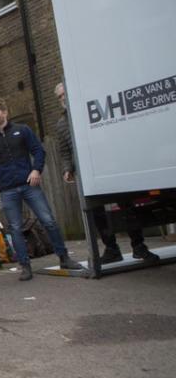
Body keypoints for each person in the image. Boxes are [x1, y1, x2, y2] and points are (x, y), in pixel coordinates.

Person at [54, 83, 159, 264]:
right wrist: (66, 169)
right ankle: (112, 249)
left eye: (65, 93)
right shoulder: (61, 124)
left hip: (110, 166)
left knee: (127, 206)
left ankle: (139, 247)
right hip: (86, 174)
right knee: (97, 213)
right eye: (59, 96)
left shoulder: (90, 110)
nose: (63, 97)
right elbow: (65, 151)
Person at [0, 98, 83, 281]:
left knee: (48, 220)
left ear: (4, 113)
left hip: (29, 185)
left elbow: (38, 151)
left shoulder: (23, 130)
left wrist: (36, 170)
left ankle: (64, 258)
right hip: (8, 190)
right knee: (15, 228)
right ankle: (25, 266)